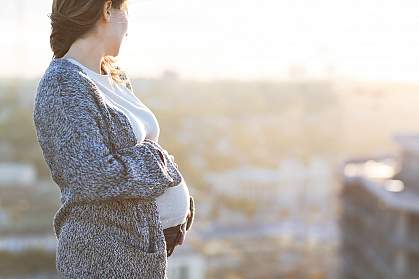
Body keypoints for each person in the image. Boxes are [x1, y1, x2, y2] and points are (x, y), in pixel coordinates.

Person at [32, 0, 194, 278]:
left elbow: (138, 150)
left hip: (140, 249)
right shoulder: (63, 83)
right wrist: (162, 164)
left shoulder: (113, 76)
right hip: (105, 255)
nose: (128, 28)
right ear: (107, 9)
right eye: (126, 12)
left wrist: (179, 203)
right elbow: (93, 175)